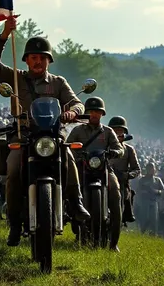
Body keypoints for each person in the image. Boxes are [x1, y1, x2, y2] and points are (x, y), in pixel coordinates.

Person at [0, 15, 90, 247]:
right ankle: (13, 223)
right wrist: (3, 36)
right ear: (26, 60)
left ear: (48, 61)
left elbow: (77, 103)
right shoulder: (16, 78)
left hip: (53, 136)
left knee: (69, 159)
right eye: (33, 57)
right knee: (13, 169)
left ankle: (76, 201)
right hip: (24, 135)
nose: (38, 61)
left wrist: (73, 112)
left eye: (42, 58)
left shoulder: (58, 82)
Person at [66, 96, 124, 251]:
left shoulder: (108, 131)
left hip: (104, 169)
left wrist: (114, 152)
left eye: (97, 112)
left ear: (102, 114)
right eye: (91, 111)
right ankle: (72, 214)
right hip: (82, 168)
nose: (94, 114)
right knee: (69, 188)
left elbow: (120, 148)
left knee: (116, 193)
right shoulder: (77, 130)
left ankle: (114, 243)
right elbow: (67, 146)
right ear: (87, 113)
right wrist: (76, 153)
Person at [107, 115, 141, 224]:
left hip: (121, 182)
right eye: (114, 131)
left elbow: (136, 169)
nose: (117, 134)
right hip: (104, 179)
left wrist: (127, 175)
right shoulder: (103, 147)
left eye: (120, 131)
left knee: (124, 197)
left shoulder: (129, 150)